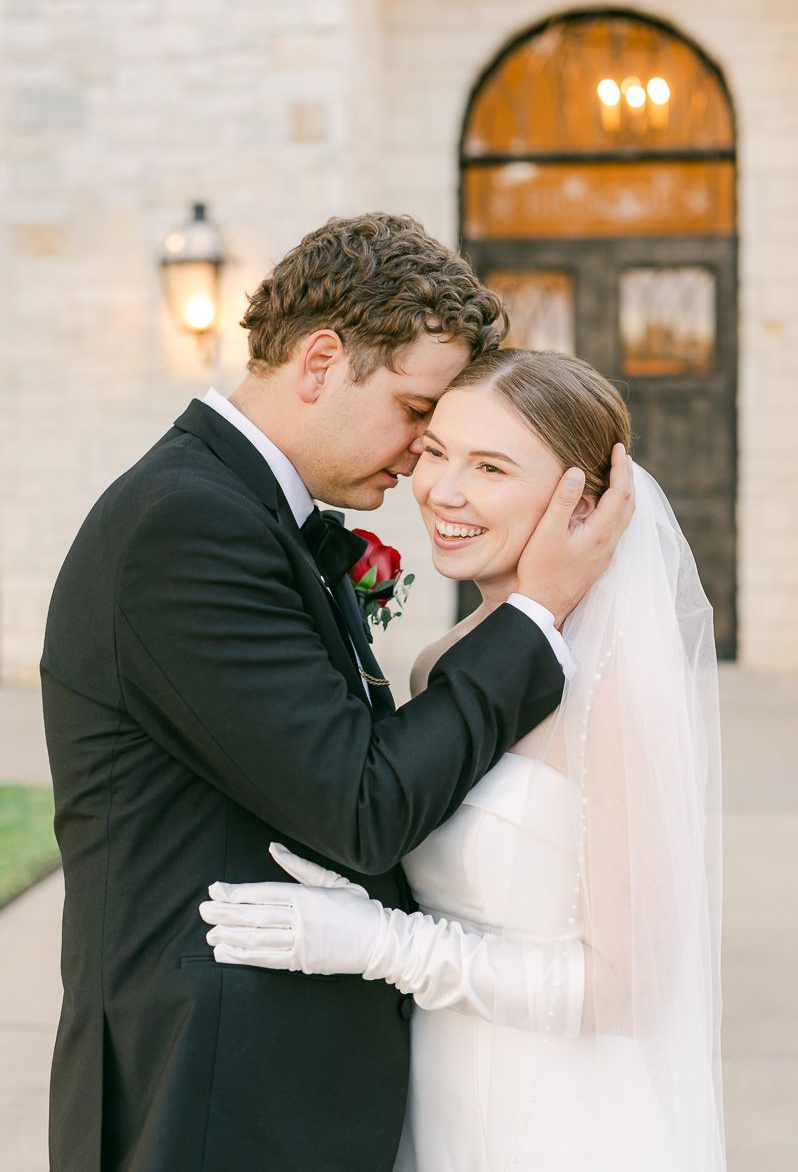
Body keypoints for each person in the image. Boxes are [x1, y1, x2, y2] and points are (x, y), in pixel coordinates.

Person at [40, 217, 634, 1172]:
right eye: (414, 412)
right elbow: (359, 805)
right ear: (320, 361)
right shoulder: (185, 524)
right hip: (210, 1096)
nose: (419, 459)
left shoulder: (243, 511)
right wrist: (536, 617)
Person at [204, 349, 725, 1170]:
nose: (442, 490)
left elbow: (631, 988)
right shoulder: (444, 660)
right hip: (434, 1099)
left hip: (559, 1117)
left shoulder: (617, 692)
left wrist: (381, 943)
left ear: (580, 500)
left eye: (489, 467)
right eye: (438, 451)